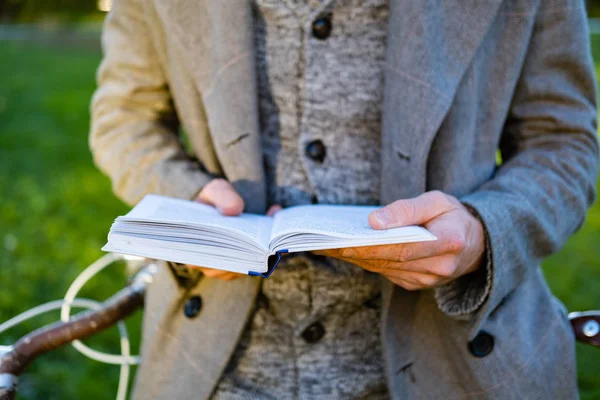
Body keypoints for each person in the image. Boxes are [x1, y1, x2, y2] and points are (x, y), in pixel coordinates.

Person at [90, 0, 598, 399]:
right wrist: (188, 201)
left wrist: (484, 232)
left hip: (459, 362)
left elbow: (563, 142)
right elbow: (124, 120)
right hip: (216, 367)